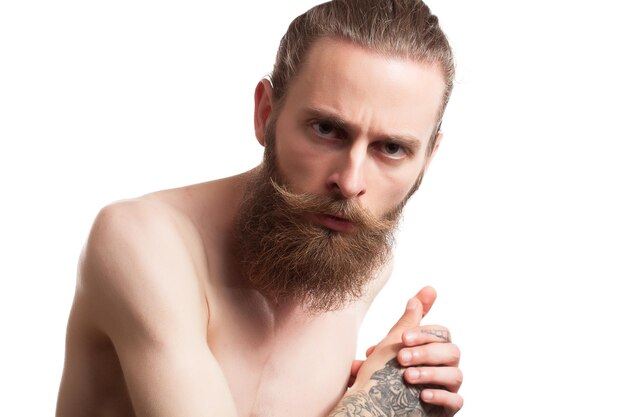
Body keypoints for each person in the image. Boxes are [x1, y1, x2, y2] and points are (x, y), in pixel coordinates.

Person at [56, 1, 463, 416]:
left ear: (427, 160)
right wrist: (374, 407)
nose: (350, 181)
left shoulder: (364, 262)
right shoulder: (143, 242)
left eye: (391, 148)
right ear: (266, 114)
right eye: (326, 129)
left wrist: (405, 384)